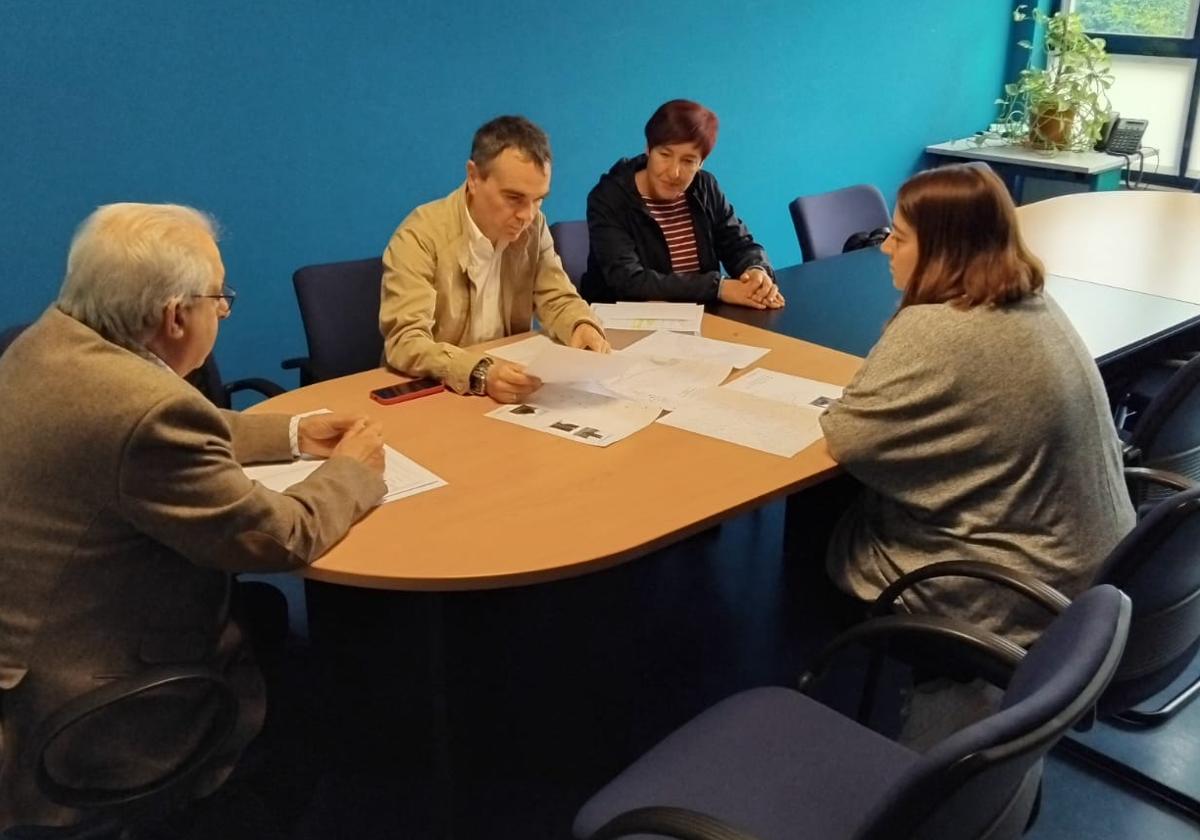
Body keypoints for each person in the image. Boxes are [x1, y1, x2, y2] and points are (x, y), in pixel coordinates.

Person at [0, 203, 386, 829]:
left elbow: (165, 428)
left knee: (267, 621)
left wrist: (293, 433)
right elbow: (280, 537)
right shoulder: (143, 409)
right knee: (340, 710)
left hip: (34, 660)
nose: (225, 310)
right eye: (220, 297)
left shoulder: (50, 340)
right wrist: (353, 471)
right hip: (102, 704)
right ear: (176, 315)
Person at [820, 163, 1134, 649]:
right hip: (1096, 571)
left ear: (944, 251)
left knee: (833, 516)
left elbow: (846, 437)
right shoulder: (1033, 301)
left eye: (899, 238)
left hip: (1015, 588)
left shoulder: (936, 327)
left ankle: (823, 673)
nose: (884, 247)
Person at [380, 115, 608, 405]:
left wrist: (581, 326)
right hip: (443, 393)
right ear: (474, 178)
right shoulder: (419, 235)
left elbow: (556, 297)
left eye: (539, 199)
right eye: (514, 198)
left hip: (509, 393)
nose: (527, 215)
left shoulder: (534, 225)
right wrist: (481, 372)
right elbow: (405, 341)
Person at [581, 99, 783, 309]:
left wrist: (756, 272)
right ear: (648, 149)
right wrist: (719, 288)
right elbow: (629, 281)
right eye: (665, 155)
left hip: (704, 317)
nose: (674, 173)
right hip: (624, 322)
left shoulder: (705, 186)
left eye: (688, 161)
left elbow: (738, 244)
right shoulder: (609, 197)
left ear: (701, 163)